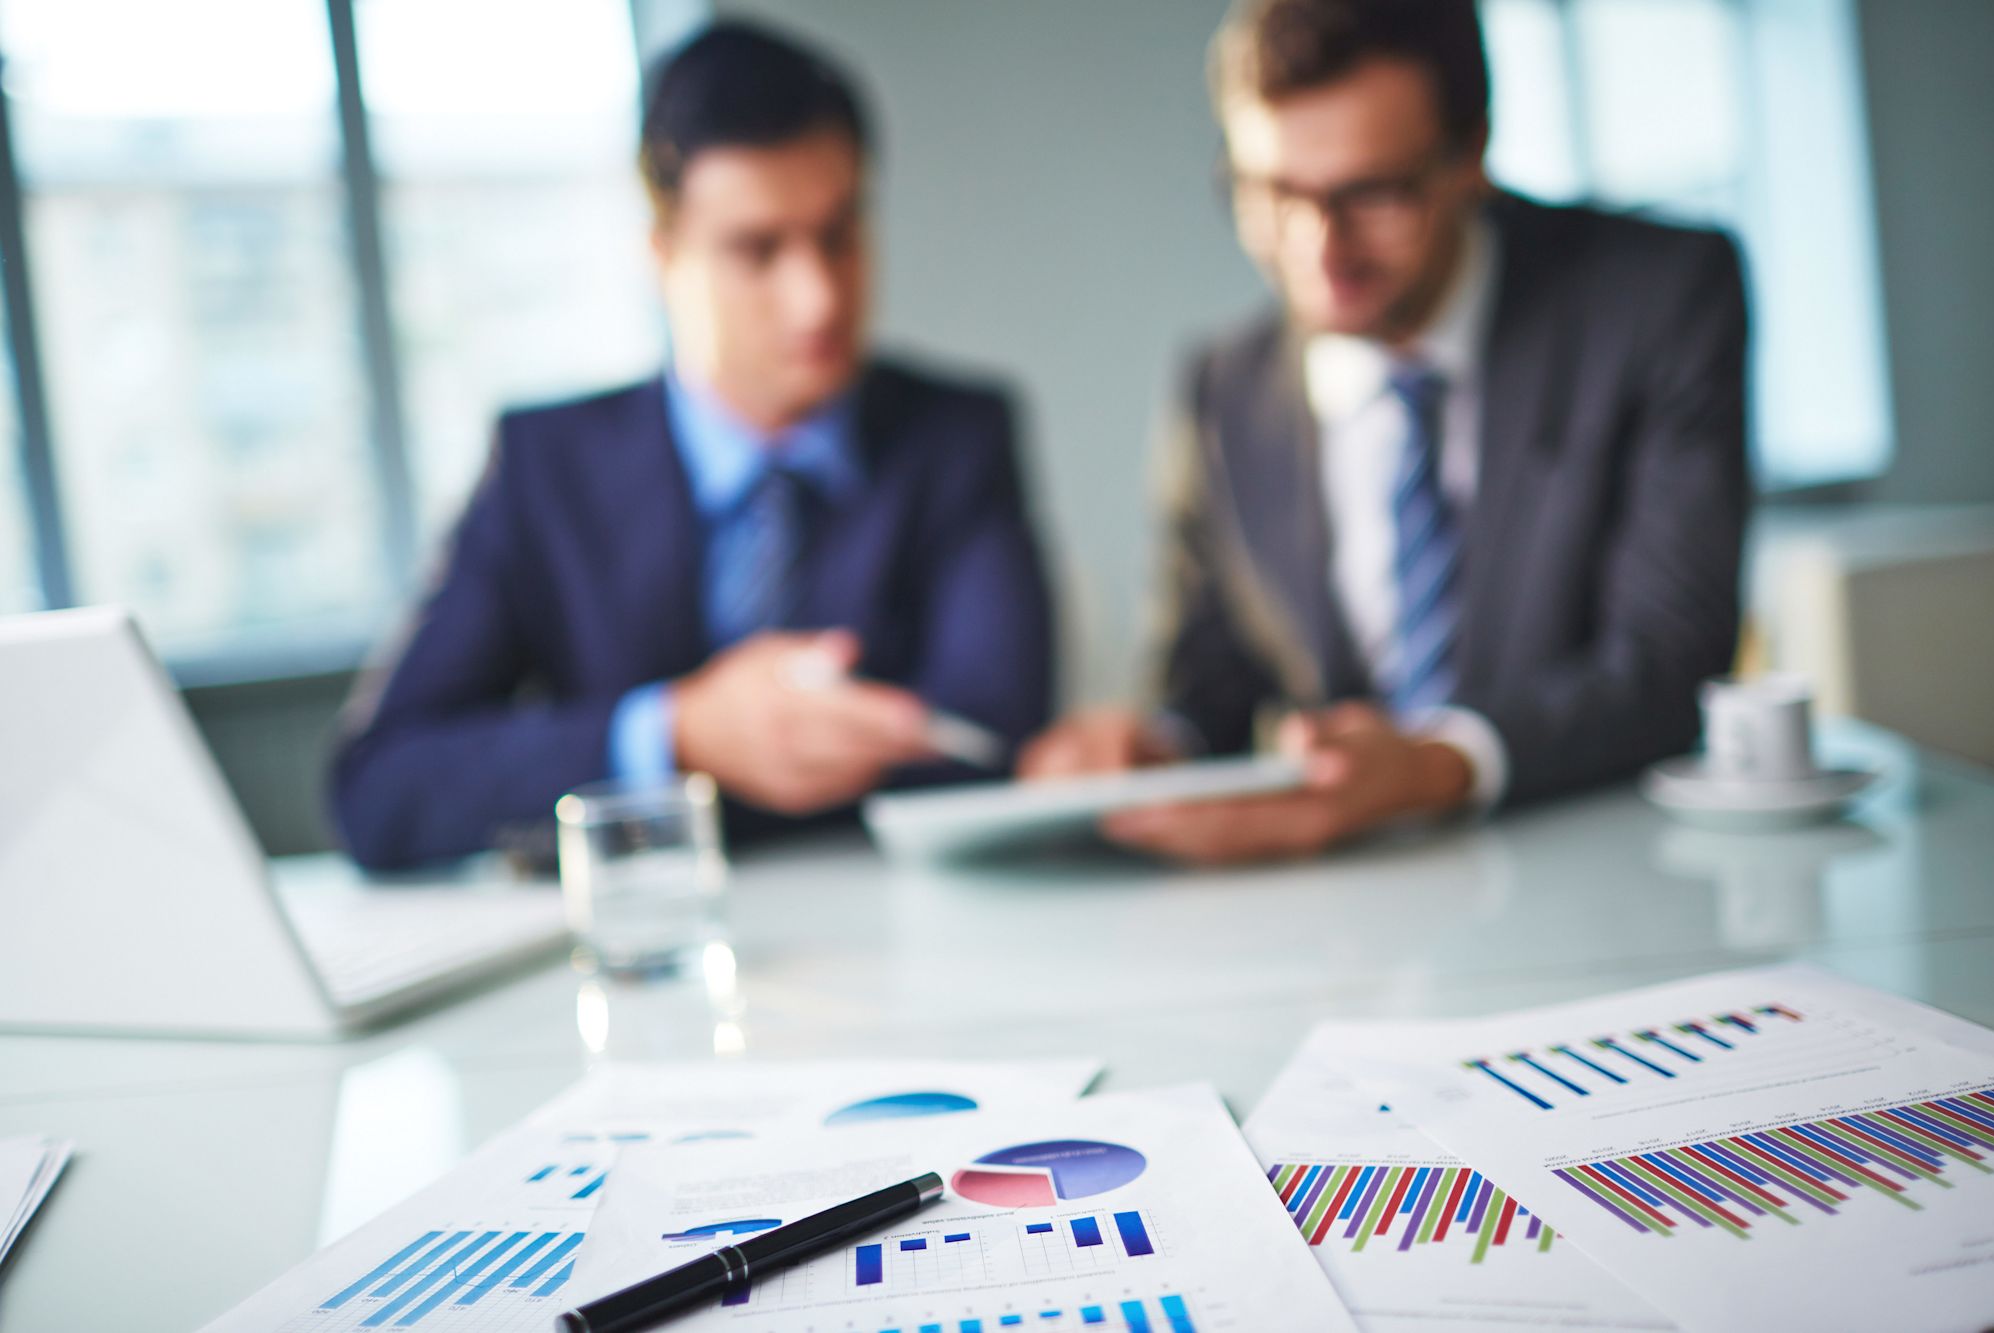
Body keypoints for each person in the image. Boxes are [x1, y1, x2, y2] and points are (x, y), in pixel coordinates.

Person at [1021, 0, 1748, 863]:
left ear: (1471, 153)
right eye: (1273, 192)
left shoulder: (1656, 298)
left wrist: (1436, 766)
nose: (1317, 250)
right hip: (1350, 920)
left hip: (1624, 874)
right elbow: (1209, 678)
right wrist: (1156, 747)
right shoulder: (1222, 387)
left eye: (1371, 194)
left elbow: (1669, 660)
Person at [332, 21, 1054, 869]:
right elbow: (377, 789)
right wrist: (676, 731)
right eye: (758, 250)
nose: (816, 298)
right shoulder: (544, 466)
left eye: (839, 235)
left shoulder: (956, 439)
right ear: (663, 253)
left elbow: (1001, 738)